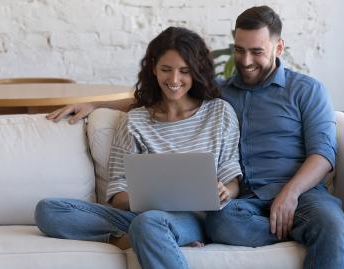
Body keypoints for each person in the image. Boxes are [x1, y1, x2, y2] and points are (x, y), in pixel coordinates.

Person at [46, 6, 344, 269]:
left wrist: (289, 195)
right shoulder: (220, 91)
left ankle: (326, 226)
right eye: (239, 50)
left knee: (323, 223)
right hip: (234, 205)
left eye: (256, 51)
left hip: (297, 195)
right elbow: (166, 93)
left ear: (279, 46)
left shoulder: (303, 91)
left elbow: (324, 153)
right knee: (220, 225)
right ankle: (322, 228)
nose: (245, 61)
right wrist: (96, 104)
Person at [36, 26, 242, 269]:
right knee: (48, 211)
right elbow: (117, 194)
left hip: (194, 219)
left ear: (196, 72)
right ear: (153, 68)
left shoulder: (219, 113)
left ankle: (150, 235)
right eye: (166, 70)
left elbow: (232, 180)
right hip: (139, 216)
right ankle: (134, 239)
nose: (174, 80)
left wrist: (225, 191)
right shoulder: (135, 121)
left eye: (184, 71)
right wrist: (150, 200)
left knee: (149, 223)